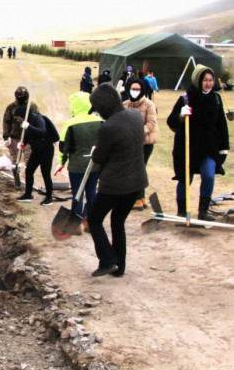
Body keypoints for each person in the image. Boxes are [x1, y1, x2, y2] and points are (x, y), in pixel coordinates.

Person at [87, 83, 148, 278]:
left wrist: (95, 152)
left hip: (115, 185)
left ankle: (107, 260)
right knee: (118, 222)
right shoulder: (135, 115)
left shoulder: (108, 127)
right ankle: (119, 268)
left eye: (98, 109)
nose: (98, 114)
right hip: (136, 182)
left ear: (104, 106)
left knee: (95, 218)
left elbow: (98, 159)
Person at [166, 64, 229, 220]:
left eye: (211, 80)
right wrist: (181, 116)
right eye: (205, 80)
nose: (208, 83)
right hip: (187, 146)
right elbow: (171, 121)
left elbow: (221, 124)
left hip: (208, 147)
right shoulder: (185, 99)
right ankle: (182, 212)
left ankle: (203, 211)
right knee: (185, 178)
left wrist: (224, 147)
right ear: (197, 80)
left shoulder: (216, 98)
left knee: (209, 175)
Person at [57, 92, 102, 234]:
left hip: (76, 166)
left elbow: (63, 147)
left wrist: (61, 162)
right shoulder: (99, 121)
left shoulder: (70, 124)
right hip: (95, 164)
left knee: (78, 193)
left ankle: (76, 225)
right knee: (92, 192)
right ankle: (90, 222)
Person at [123, 78, 159, 210]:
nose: (135, 92)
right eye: (133, 89)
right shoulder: (125, 105)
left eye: (138, 89)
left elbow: (150, 124)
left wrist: (136, 132)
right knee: (134, 169)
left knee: (140, 168)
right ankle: (140, 197)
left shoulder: (149, 104)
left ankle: (138, 198)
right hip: (131, 143)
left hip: (146, 142)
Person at [14, 106, 56, 206]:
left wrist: (28, 126)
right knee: (29, 170)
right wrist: (22, 143)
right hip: (36, 150)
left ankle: (49, 198)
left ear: (23, 115)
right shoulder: (26, 121)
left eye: (18, 118)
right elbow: (29, 135)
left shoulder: (38, 119)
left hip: (46, 150)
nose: (17, 120)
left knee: (45, 173)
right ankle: (28, 194)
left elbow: (42, 132)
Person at [2, 86, 39, 166]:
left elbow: (38, 121)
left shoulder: (32, 106)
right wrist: (6, 137)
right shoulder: (11, 107)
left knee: (29, 162)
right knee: (14, 162)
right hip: (15, 138)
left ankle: (28, 177)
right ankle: (16, 177)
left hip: (29, 138)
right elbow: (6, 122)